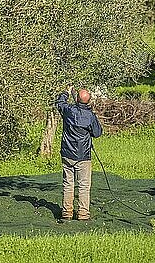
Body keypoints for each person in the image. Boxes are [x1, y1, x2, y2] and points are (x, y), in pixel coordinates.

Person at [55, 85, 103, 221]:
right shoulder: (90, 116)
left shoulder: (69, 110)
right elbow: (97, 133)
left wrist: (66, 92)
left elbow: (59, 103)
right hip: (83, 156)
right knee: (83, 186)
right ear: (88, 101)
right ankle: (83, 214)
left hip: (67, 153)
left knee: (68, 184)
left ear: (76, 99)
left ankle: (67, 212)